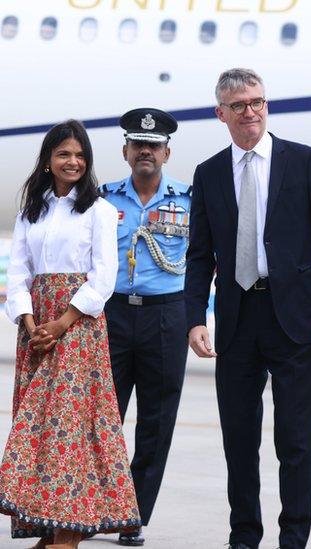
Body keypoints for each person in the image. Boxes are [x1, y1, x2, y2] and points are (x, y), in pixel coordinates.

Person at [184, 68, 311, 549]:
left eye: (257, 101)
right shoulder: (209, 173)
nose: (250, 111)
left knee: (295, 442)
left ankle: (293, 538)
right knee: (239, 440)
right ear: (221, 114)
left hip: (296, 320)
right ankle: (244, 536)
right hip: (237, 320)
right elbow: (199, 255)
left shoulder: (304, 162)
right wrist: (196, 317)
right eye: (238, 106)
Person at [0, 120, 140, 549]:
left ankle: (70, 530)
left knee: (71, 428)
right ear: (48, 161)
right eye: (63, 154)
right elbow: (18, 273)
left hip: (78, 327)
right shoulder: (31, 211)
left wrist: (60, 324)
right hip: (35, 329)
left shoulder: (98, 210)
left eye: (80, 155)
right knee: (37, 427)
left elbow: (104, 278)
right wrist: (30, 322)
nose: (72, 162)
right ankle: (48, 525)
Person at [99, 108, 189, 547]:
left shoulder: (190, 200)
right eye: (138, 145)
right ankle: (98, 505)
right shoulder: (102, 199)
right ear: (125, 151)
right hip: (112, 314)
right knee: (103, 415)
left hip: (165, 318)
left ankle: (132, 514)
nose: (146, 152)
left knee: (155, 421)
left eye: (154, 146)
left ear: (167, 152)